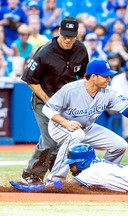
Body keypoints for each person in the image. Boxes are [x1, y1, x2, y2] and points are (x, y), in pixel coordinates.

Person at [42, 59, 128, 183]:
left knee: (120, 145)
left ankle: (101, 177)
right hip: (60, 126)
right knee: (76, 135)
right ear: (94, 77)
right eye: (105, 76)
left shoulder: (109, 92)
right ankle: (54, 180)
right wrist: (65, 123)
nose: (109, 79)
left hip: (87, 127)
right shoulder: (71, 89)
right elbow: (47, 109)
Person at [20, 16, 89, 184]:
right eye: (65, 35)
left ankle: (57, 167)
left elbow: (85, 77)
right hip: (43, 101)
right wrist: (48, 101)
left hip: (67, 103)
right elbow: (30, 79)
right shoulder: (45, 52)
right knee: (50, 139)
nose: (67, 39)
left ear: (77, 35)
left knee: (69, 137)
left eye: (71, 36)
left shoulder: (81, 50)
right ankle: (31, 174)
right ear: (59, 31)